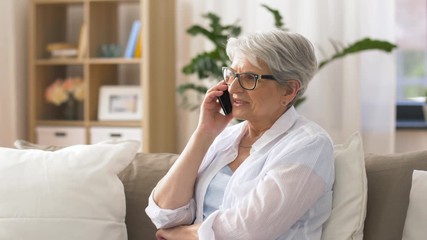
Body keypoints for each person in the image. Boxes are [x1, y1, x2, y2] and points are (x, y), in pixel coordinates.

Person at [145, 29, 334, 240]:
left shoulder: (309, 145)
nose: (233, 87)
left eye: (249, 78)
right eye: (232, 75)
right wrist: (204, 133)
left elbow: (248, 231)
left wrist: (181, 234)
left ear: (289, 90)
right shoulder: (225, 138)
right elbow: (163, 214)